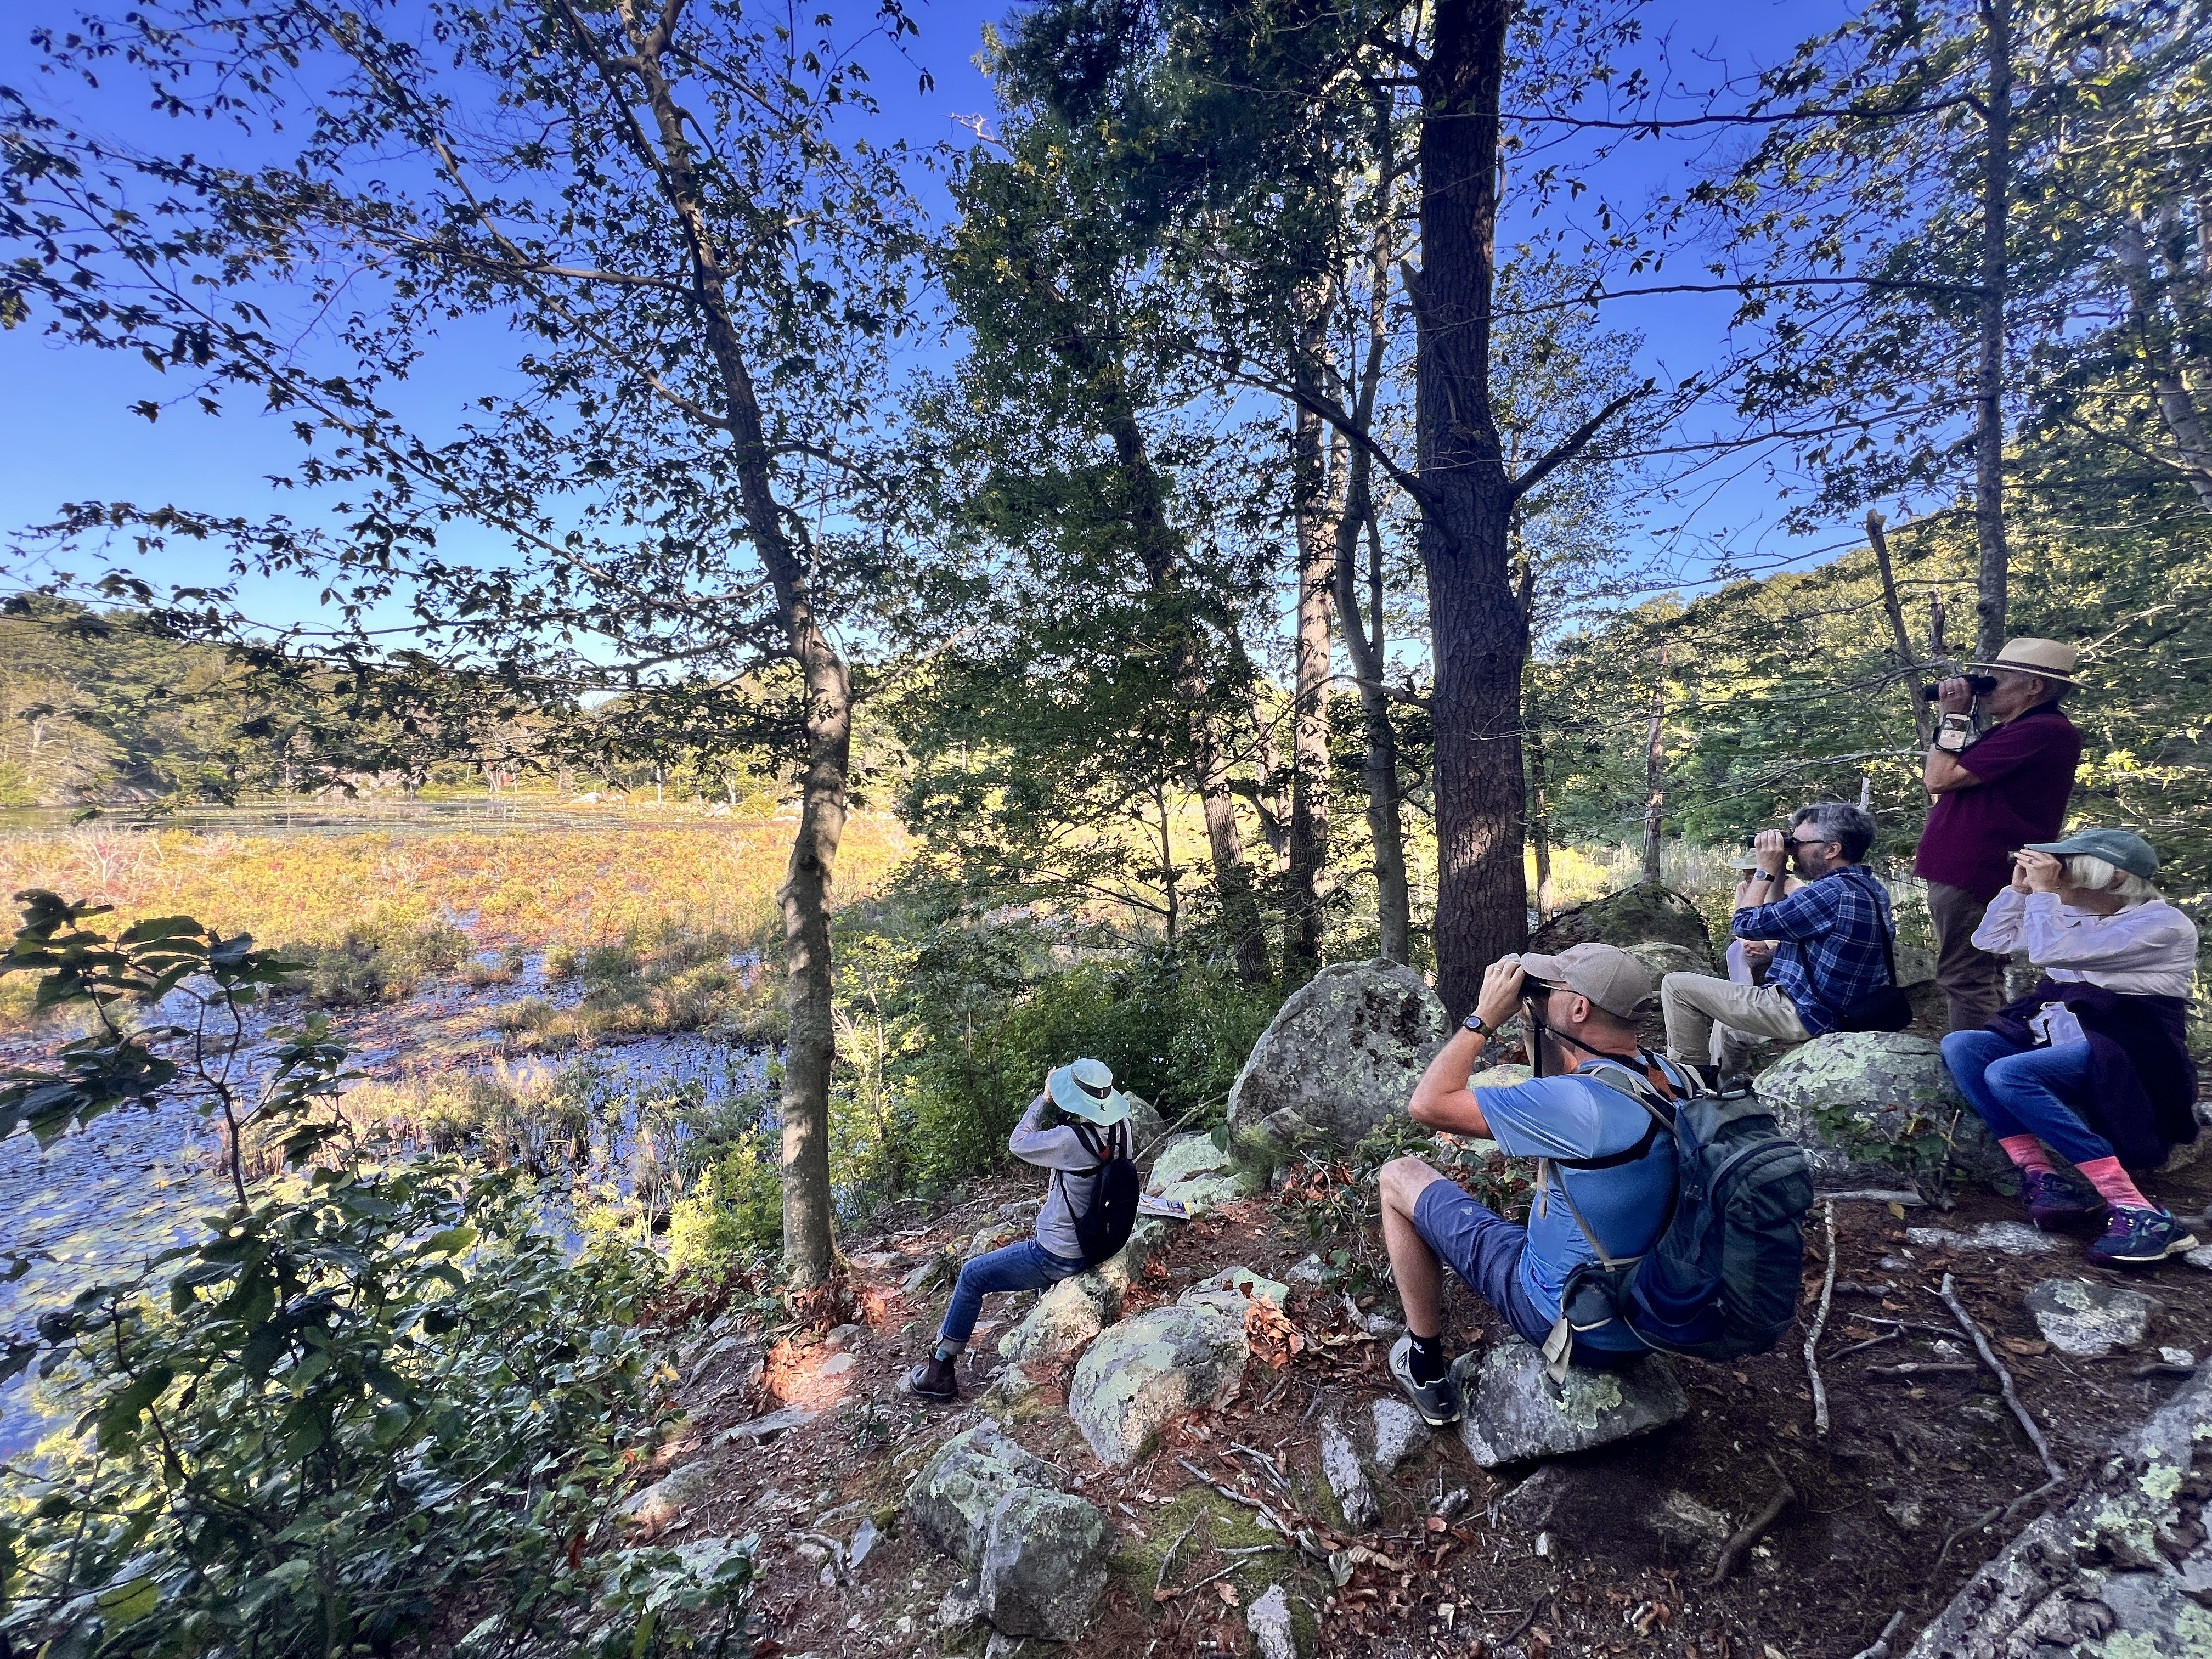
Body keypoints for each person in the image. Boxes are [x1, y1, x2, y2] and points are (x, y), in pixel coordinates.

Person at [1379, 944, 1691, 1426]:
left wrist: (1483, 1018)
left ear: (1580, 1008)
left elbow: (1428, 1104)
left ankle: (1424, 1366)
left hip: (1571, 1320)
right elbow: (1563, 1074)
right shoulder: (1671, 1078)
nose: (1539, 993)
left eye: (1550, 988)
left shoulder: (1575, 1105)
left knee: (1398, 1176)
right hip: (1652, 1312)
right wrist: (1537, 1018)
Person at [1940, 829, 2201, 1265]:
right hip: (2072, 1036)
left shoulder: (2163, 924)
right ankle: (2044, 1176)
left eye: (2069, 867)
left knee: (2010, 1073)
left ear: (2114, 879)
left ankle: (2137, 1209)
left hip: (2133, 1044)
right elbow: (1990, 941)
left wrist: (2043, 895)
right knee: (1964, 1045)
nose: (2058, 876)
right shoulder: (2075, 914)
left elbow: (2046, 951)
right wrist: (2019, 890)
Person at [907, 1056, 1131, 1403]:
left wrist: (1043, 1099)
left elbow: (1019, 1142)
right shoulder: (1121, 1131)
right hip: (1099, 1241)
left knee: (971, 1276)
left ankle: (940, 1369)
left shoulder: (1069, 1140)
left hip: (1059, 1253)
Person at [1914, 639, 2084, 1032]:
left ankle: (1975, 1071)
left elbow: (1938, 778)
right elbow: (1943, 778)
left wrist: (1953, 715)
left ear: (2034, 686)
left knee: (1965, 975)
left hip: (1978, 868)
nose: (1985, 686)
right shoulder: (2019, 730)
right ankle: (1993, 1054)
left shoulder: (2045, 730)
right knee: (1980, 972)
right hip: (1971, 867)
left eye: (1996, 679)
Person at [1660, 802, 1894, 1082]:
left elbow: (1746, 926)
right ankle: (1719, 1089)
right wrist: (1780, 871)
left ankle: (1686, 1083)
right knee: (1729, 1027)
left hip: (1810, 1011)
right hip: (1846, 1008)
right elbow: (1775, 921)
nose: (1793, 849)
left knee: (1676, 985)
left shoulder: (1830, 892)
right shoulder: (1868, 887)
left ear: (1832, 849)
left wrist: (1765, 871)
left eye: (1799, 843)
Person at [1724, 851, 1802, 988]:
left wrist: (1767, 944)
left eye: (1753, 872)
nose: (1748, 877)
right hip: (1753, 941)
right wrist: (1747, 942)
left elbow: (1797, 927)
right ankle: (1743, 996)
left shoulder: (1795, 889)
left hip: (1786, 942)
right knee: (1734, 952)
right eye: (1746, 872)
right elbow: (1739, 918)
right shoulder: (1743, 887)